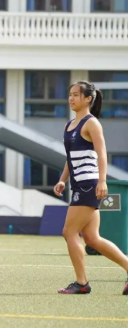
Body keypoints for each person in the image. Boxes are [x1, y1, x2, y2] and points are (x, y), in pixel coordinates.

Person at [54, 81, 128, 295]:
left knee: (69, 232)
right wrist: (62, 180)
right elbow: (70, 158)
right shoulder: (69, 125)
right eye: (70, 94)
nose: (71, 98)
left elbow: (102, 153)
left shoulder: (92, 123)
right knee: (93, 239)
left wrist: (102, 181)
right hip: (78, 185)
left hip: (89, 185)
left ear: (88, 98)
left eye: (76, 95)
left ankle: (82, 283)